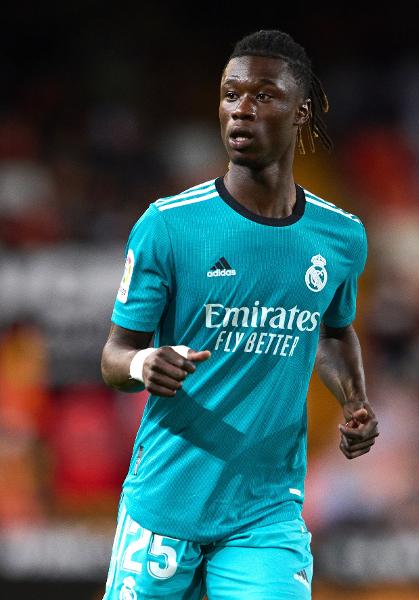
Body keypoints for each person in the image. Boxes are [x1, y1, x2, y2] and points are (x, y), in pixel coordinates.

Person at [101, 29, 379, 600]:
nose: (241, 111)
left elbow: (331, 329)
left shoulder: (340, 237)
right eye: (231, 94)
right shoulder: (168, 226)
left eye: (263, 96)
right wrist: (144, 363)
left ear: (301, 112)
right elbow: (113, 356)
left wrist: (353, 399)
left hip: (266, 511)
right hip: (166, 503)